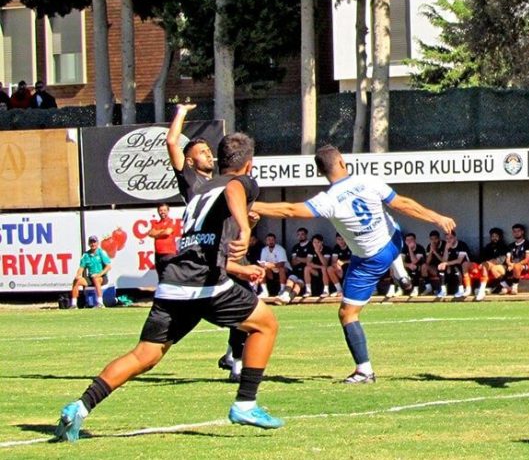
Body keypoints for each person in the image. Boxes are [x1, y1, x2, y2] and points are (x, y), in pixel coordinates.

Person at [53, 133, 284, 442]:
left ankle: (79, 408)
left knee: (143, 356)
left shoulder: (201, 191)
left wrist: (242, 246)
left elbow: (204, 243)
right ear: (249, 164)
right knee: (265, 325)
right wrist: (244, 226)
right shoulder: (239, 182)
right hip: (204, 285)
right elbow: (234, 189)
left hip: (175, 283)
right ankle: (245, 403)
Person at [252, 144, 455, 384]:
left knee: (347, 314)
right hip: (393, 240)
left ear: (320, 171)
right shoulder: (368, 180)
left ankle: (364, 370)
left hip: (371, 258)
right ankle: (398, 268)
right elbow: (402, 203)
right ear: (342, 162)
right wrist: (437, 218)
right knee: (388, 221)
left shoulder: (327, 200)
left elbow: (288, 210)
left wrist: (250, 205)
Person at [167, 103, 247, 378]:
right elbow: (171, 142)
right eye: (202, 152)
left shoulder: (221, 182)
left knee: (246, 297)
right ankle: (236, 361)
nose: (208, 155)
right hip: (207, 252)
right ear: (190, 162)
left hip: (227, 246)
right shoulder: (190, 180)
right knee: (243, 301)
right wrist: (180, 113)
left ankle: (232, 355)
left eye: (209, 151)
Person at [67, 236, 112, 309]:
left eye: (94, 242)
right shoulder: (86, 255)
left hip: (102, 277)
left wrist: (99, 274)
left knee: (96, 279)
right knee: (76, 281)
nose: (93, 244)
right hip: (91, 277)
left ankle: (100, 303)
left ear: (97, 243)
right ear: (88, 244)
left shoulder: (101, 252)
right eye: (91, 242)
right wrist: (78, 275)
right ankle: (74, 304)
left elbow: (108, 266)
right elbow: (81, 267)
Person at [474, 227, 509, 301]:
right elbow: (481, 258)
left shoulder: (504, 247)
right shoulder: (488, 247)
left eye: (496, 236)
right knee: (484, 266)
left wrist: (489, 263)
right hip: (487, 267)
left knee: (492, 268)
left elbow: (501, 260)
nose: (494, 238)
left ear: (500, 237)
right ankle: (505, 287)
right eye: (493, 236)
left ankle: (482, 290)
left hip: (502, 267)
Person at [503, 223, 529, 295]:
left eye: (518, 231)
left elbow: (527, 259)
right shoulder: (511, 245)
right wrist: (509, 264)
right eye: (514, 231)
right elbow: (508, 259)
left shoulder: (528, 244)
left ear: (522, 232)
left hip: (524, 265)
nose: (516, 233)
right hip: (512, 265)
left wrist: (514, 265)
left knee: (517, 266)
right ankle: (507, 287)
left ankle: (514, 286)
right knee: (497, 268)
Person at [439, 231, 472, 298]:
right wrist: (446, 249)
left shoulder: (462, 245)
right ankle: (443, 290)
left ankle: (461, 289)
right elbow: (444, 261)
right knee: (441, 267)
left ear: (455, 238)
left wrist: (446, 263)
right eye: (447, 238)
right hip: (452, 265)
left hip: (465, 266)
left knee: (455, 267)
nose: (449, 240)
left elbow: (459, 261)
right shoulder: (446, 246)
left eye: (451, 238)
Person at [421, 230, 447, 296]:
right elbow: (427, 262)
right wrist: (431, 251)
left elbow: (443, 261)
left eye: (435, 239)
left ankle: (440, 290)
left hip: (444, 268)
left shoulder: (444, 245)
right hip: (434, 268)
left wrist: (435, 252)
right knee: (424, 266)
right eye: (432, 239)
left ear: (439, 238)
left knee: (441, 267)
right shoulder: (429, 246)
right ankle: (428, 287)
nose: (434, 241)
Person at [327, 234, 351, 298]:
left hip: (350, 268)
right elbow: (333, 261)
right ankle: (339, 289)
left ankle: (346, 291)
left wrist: (344, 262)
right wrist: (336, 265)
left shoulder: (350, 246)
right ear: (336, 240)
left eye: (342, 239)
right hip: (340, 269)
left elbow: (355, 260)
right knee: (329, 269)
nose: (341, 241)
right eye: (339, 239)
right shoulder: (336, 248)